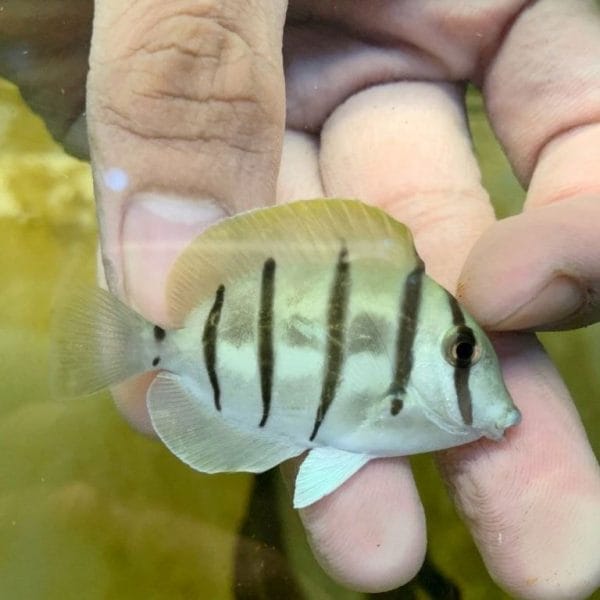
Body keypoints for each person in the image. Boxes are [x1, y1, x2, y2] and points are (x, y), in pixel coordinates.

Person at [2, 1, 599, 597]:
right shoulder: (410, 371)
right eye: (463, 352)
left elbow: (345, 444)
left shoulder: (415, 389)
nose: (479, 373)